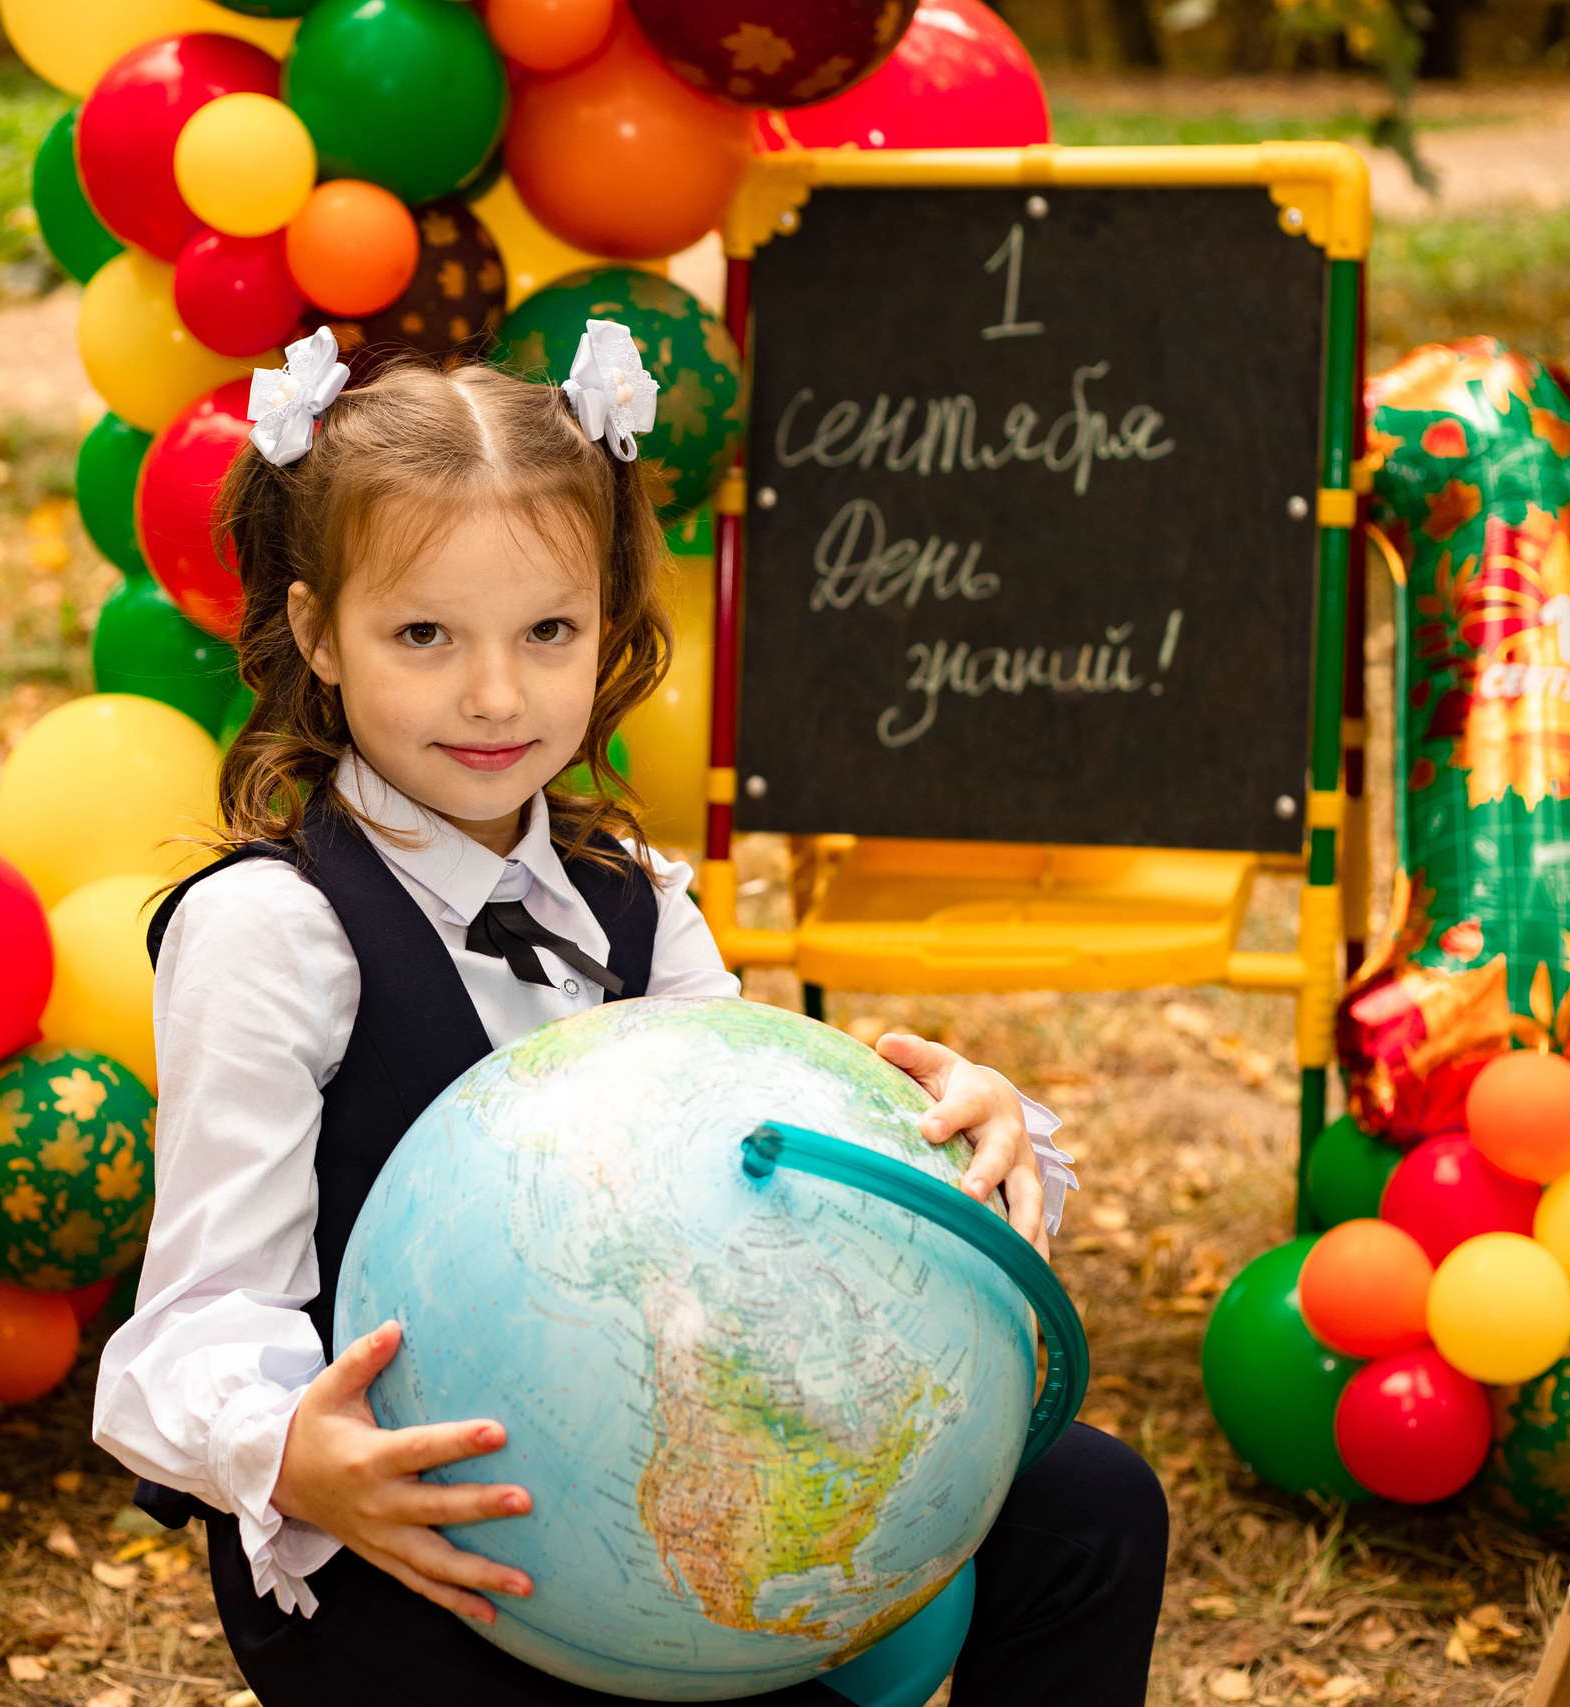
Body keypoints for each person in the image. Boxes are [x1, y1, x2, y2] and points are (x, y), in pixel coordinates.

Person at [92, 325, 1167, 1707]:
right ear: (317, 634)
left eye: (548, 631)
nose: (495, 694)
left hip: (648, 1454)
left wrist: (974, 1143)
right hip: (418, 1530)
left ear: (606, 621)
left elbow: (757, 1181)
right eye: (423, 634)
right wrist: (295, 1457)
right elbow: (194, 1316)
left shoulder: (639, 901)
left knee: (1091, 1505)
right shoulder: (271, 931)